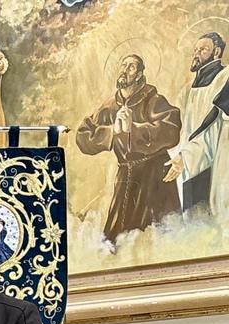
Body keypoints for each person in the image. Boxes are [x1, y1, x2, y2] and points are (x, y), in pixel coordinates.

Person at [76, 55, 181, 243]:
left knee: (158, 236)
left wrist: (134, 128)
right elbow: (83, 136)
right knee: (117, 239)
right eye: (123, 65)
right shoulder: (109, 106)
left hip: (154, 175)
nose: (125, 70)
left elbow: (171, 130)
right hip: (126, 177)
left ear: (140, 74)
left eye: (131, 67)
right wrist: (111, 132)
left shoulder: (153, 100)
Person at [165, 32, 229, 213]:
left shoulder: (226, 78)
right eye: (196, 50)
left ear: (216, 52)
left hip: (216, 157)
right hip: (187, 161)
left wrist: (188, 155)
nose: (197, 53)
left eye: (203, 49)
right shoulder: (186, 90)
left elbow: (215, 123)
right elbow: (179, 127)